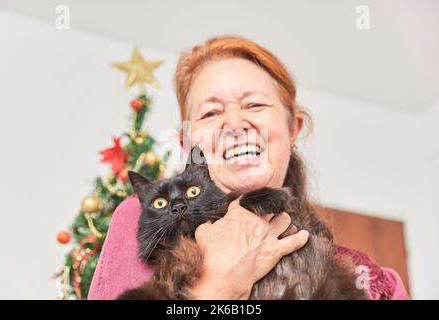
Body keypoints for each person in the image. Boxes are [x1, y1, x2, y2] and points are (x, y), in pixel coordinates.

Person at [88, 35, 409, 300]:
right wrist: (215, 285)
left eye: (254, 104)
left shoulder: (376, 281)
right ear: (188, 144)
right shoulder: (144, 222)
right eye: (211, 113)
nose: (234, 123)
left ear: (293, 128)